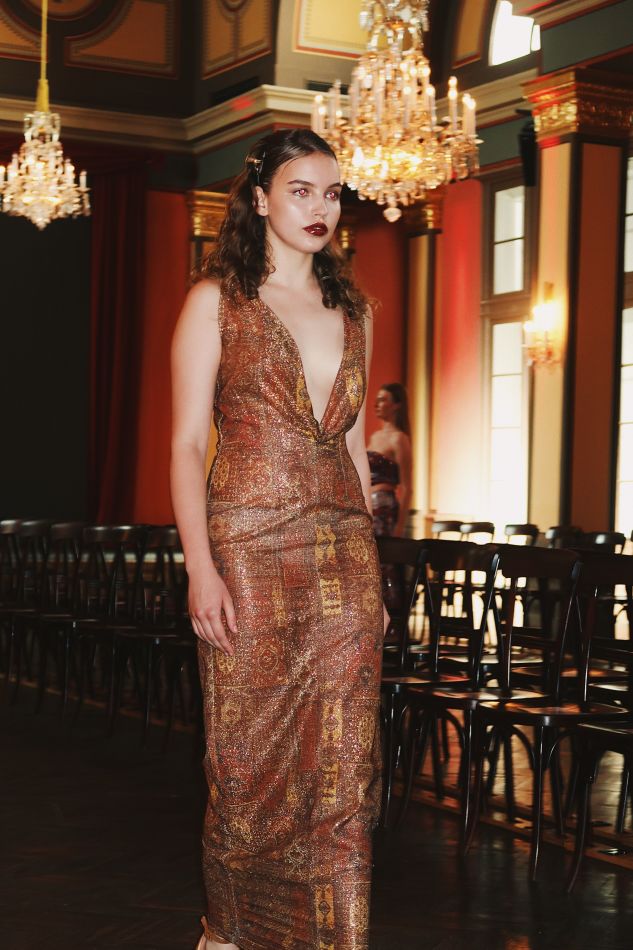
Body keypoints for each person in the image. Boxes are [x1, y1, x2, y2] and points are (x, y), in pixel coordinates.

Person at [170, 128, 387, 950]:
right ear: (260, 199)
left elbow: (354, 451)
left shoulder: (354, 311)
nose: (319, 207)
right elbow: (186, 443)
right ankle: (230, 931)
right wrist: (199, 568)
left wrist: (374, 576)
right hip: (248, 550)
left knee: (343, 765)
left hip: (343, 559)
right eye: (301, 190)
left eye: (331, 193)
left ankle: (334, 936)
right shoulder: (216, 301)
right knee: (245, 759)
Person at [367, 384, 412, 538]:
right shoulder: (375, 437)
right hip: (367, 507)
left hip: (384, 509)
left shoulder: (399, 439)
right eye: (377, 399)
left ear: (396, 405)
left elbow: (406, 488)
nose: (376, 404)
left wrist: (399, 527)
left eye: (382, 400)